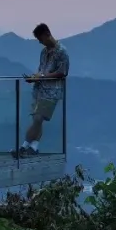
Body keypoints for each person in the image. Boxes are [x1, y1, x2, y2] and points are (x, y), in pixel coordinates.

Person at [15, 23, 69, 157]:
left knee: (38, 118)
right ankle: (34, 147)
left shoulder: (62, 51)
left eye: (40, 39)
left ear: (47, 34)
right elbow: (41, 69)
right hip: (39, 89)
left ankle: (24, 146)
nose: (40, 42)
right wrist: (34, 77)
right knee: (36, 119)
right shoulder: (44, 52)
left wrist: (42, 77)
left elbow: (62, 72)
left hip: (52, 91)